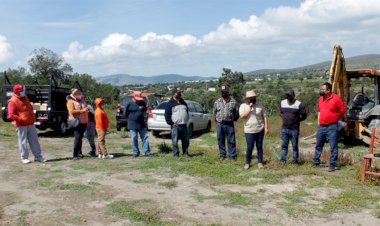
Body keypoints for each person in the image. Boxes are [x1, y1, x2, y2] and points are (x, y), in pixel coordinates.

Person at [7, 84, 46, 164]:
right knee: (23, 142)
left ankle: (38, 157)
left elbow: (29, 108)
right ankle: (24, 158)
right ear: (17, 92)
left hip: (31, 123)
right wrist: (21, 120)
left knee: (34, 141)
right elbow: (11, 115)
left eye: (23, 90)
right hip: (21, 125)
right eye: (21, 91)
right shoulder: (12, 101)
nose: (23, 92)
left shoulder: (25, 97)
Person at [313, 82, 345, 172]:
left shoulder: (337, 99)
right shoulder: (320, 99)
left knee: (333, 146)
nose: (321, 91)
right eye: (321, 89)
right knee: (318, 145)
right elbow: (319, 110)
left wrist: (336, 119)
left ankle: (332, 164)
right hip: (321, 126)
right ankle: (315, 162)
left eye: (323, 89)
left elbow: (342, 111)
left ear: (328, 90)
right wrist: (318, 122)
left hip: (332, 126)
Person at [239, 90, 268, 169]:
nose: (253, 99)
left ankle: (260, 162)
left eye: (254, 97)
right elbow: (242, 116)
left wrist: (266, 127)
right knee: (249, 147)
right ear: (247, 99)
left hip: (260, 129)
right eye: (251, 98)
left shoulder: (260, 105)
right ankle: (247, 163)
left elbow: (264, 116)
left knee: (259, 146)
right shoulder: (243, 106)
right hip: (249, 131)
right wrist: (249, 108)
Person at [279, 89, 307, 165]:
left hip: (294, 129)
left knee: (295, 146)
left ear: (294, 96)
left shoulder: (299, 104)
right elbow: (281, 113)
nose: (288, 98)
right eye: (287, 96)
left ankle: (295, 161)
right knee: (284, 145)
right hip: (284, 128)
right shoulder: (282, 103)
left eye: (290, 96)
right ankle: (282, 160)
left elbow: (304, 116)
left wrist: (297, 120)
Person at [213, 85, 239, 161]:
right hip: (220, 123)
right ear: (221, 92)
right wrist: (218, 121)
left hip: (229, 124)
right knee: (220, 139)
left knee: (231, 140)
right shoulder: (217, 102)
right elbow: (214, 112)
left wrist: (233, 119)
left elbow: (236, 113)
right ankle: (222, 154)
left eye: (225, 92)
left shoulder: (233, 101)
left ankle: (232, 155)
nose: (224, 93)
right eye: (222, 92)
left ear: (228, 92)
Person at [164, 88, 190, 157]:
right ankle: (176, 154)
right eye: (178, 93)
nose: (180, 94)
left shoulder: (183, 102)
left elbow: (186, 112)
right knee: (175, 141)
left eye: (180, 93)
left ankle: (185, 153)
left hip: (184, 125)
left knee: (186, 140)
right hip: (175, 126)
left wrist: (186, 120)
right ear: (174, 94)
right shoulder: (170, 103)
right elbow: (167, 115)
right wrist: (171, 123)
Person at [125, 91, 151, 157]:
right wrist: (132, 119)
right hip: (132, 124)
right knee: (134, 138)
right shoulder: (129, 104)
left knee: (145, 138)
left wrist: (145, 120)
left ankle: (147, 152)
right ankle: (135, 152)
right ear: (134, 97)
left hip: (142, 124)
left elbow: (145, 111)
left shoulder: (143, 103)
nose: (139, 100)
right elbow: (125, 114)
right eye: (137, 99)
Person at [66, 88, 89, 160]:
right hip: (76, 122)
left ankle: (79, 153)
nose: (78, 94)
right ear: (72, 94)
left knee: (80, 138)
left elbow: (85, 107)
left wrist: (87, 109)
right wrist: (82, 111)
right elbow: (72, 111)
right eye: (76, 93)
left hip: (84, 122)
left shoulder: (82, 100)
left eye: (79, 92)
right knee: (77, 138)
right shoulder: (70, 101)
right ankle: (75, 155)